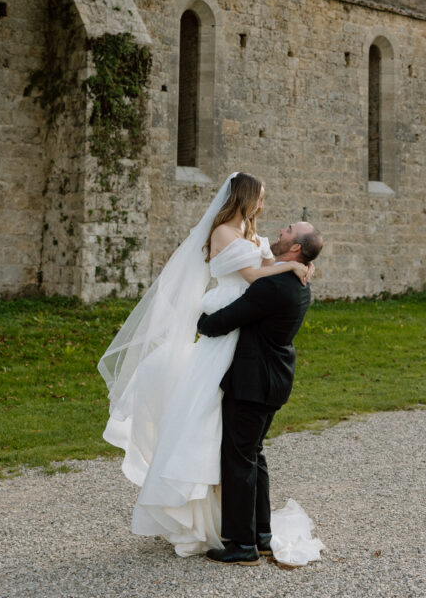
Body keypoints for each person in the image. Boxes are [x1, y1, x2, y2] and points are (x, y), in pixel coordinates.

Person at [98, 172, 311, 556]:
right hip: (231, 327)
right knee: (221, 433)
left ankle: (245, 537)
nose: (263, 205)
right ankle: (242, 533)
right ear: (245, 197)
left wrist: (295, 265)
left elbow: (264, 268)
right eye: (259, 197)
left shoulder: (249, 233)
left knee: (240, 447)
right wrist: (291, 267)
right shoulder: (223, 234)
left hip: (241, 338)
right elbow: (252, 275)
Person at [197, 219, 323, 566]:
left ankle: (242, 545)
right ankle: (262, 537)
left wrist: (200, 321)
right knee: (254, 455)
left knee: (238, 459)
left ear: (296, 247)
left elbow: (227, 319)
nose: (280, 232)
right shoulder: (296, 280)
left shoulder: (277, 286)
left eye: (287, 231)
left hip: (254, 381)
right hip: (274, 378)